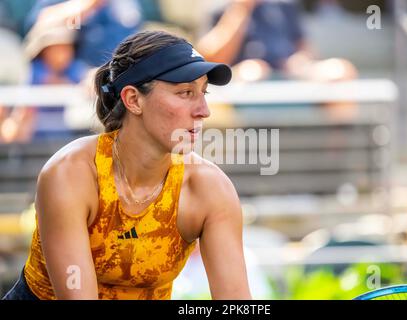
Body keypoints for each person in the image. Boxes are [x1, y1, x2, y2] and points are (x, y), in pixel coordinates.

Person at [1, 30, 252, 300]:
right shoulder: (70, 173)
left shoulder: (211, 189)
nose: (204, 110)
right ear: (133, 99)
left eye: (203, 92)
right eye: (185, 93)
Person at [198, 0, 357, 82]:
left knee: (340, 71)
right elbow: (210, 60)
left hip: (288, 76)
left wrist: (300, 61)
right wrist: (241, 8)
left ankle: (337, 144)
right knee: (253, 73)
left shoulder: (285, 4)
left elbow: (306, 50)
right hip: (244, 78)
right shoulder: (219, 5)